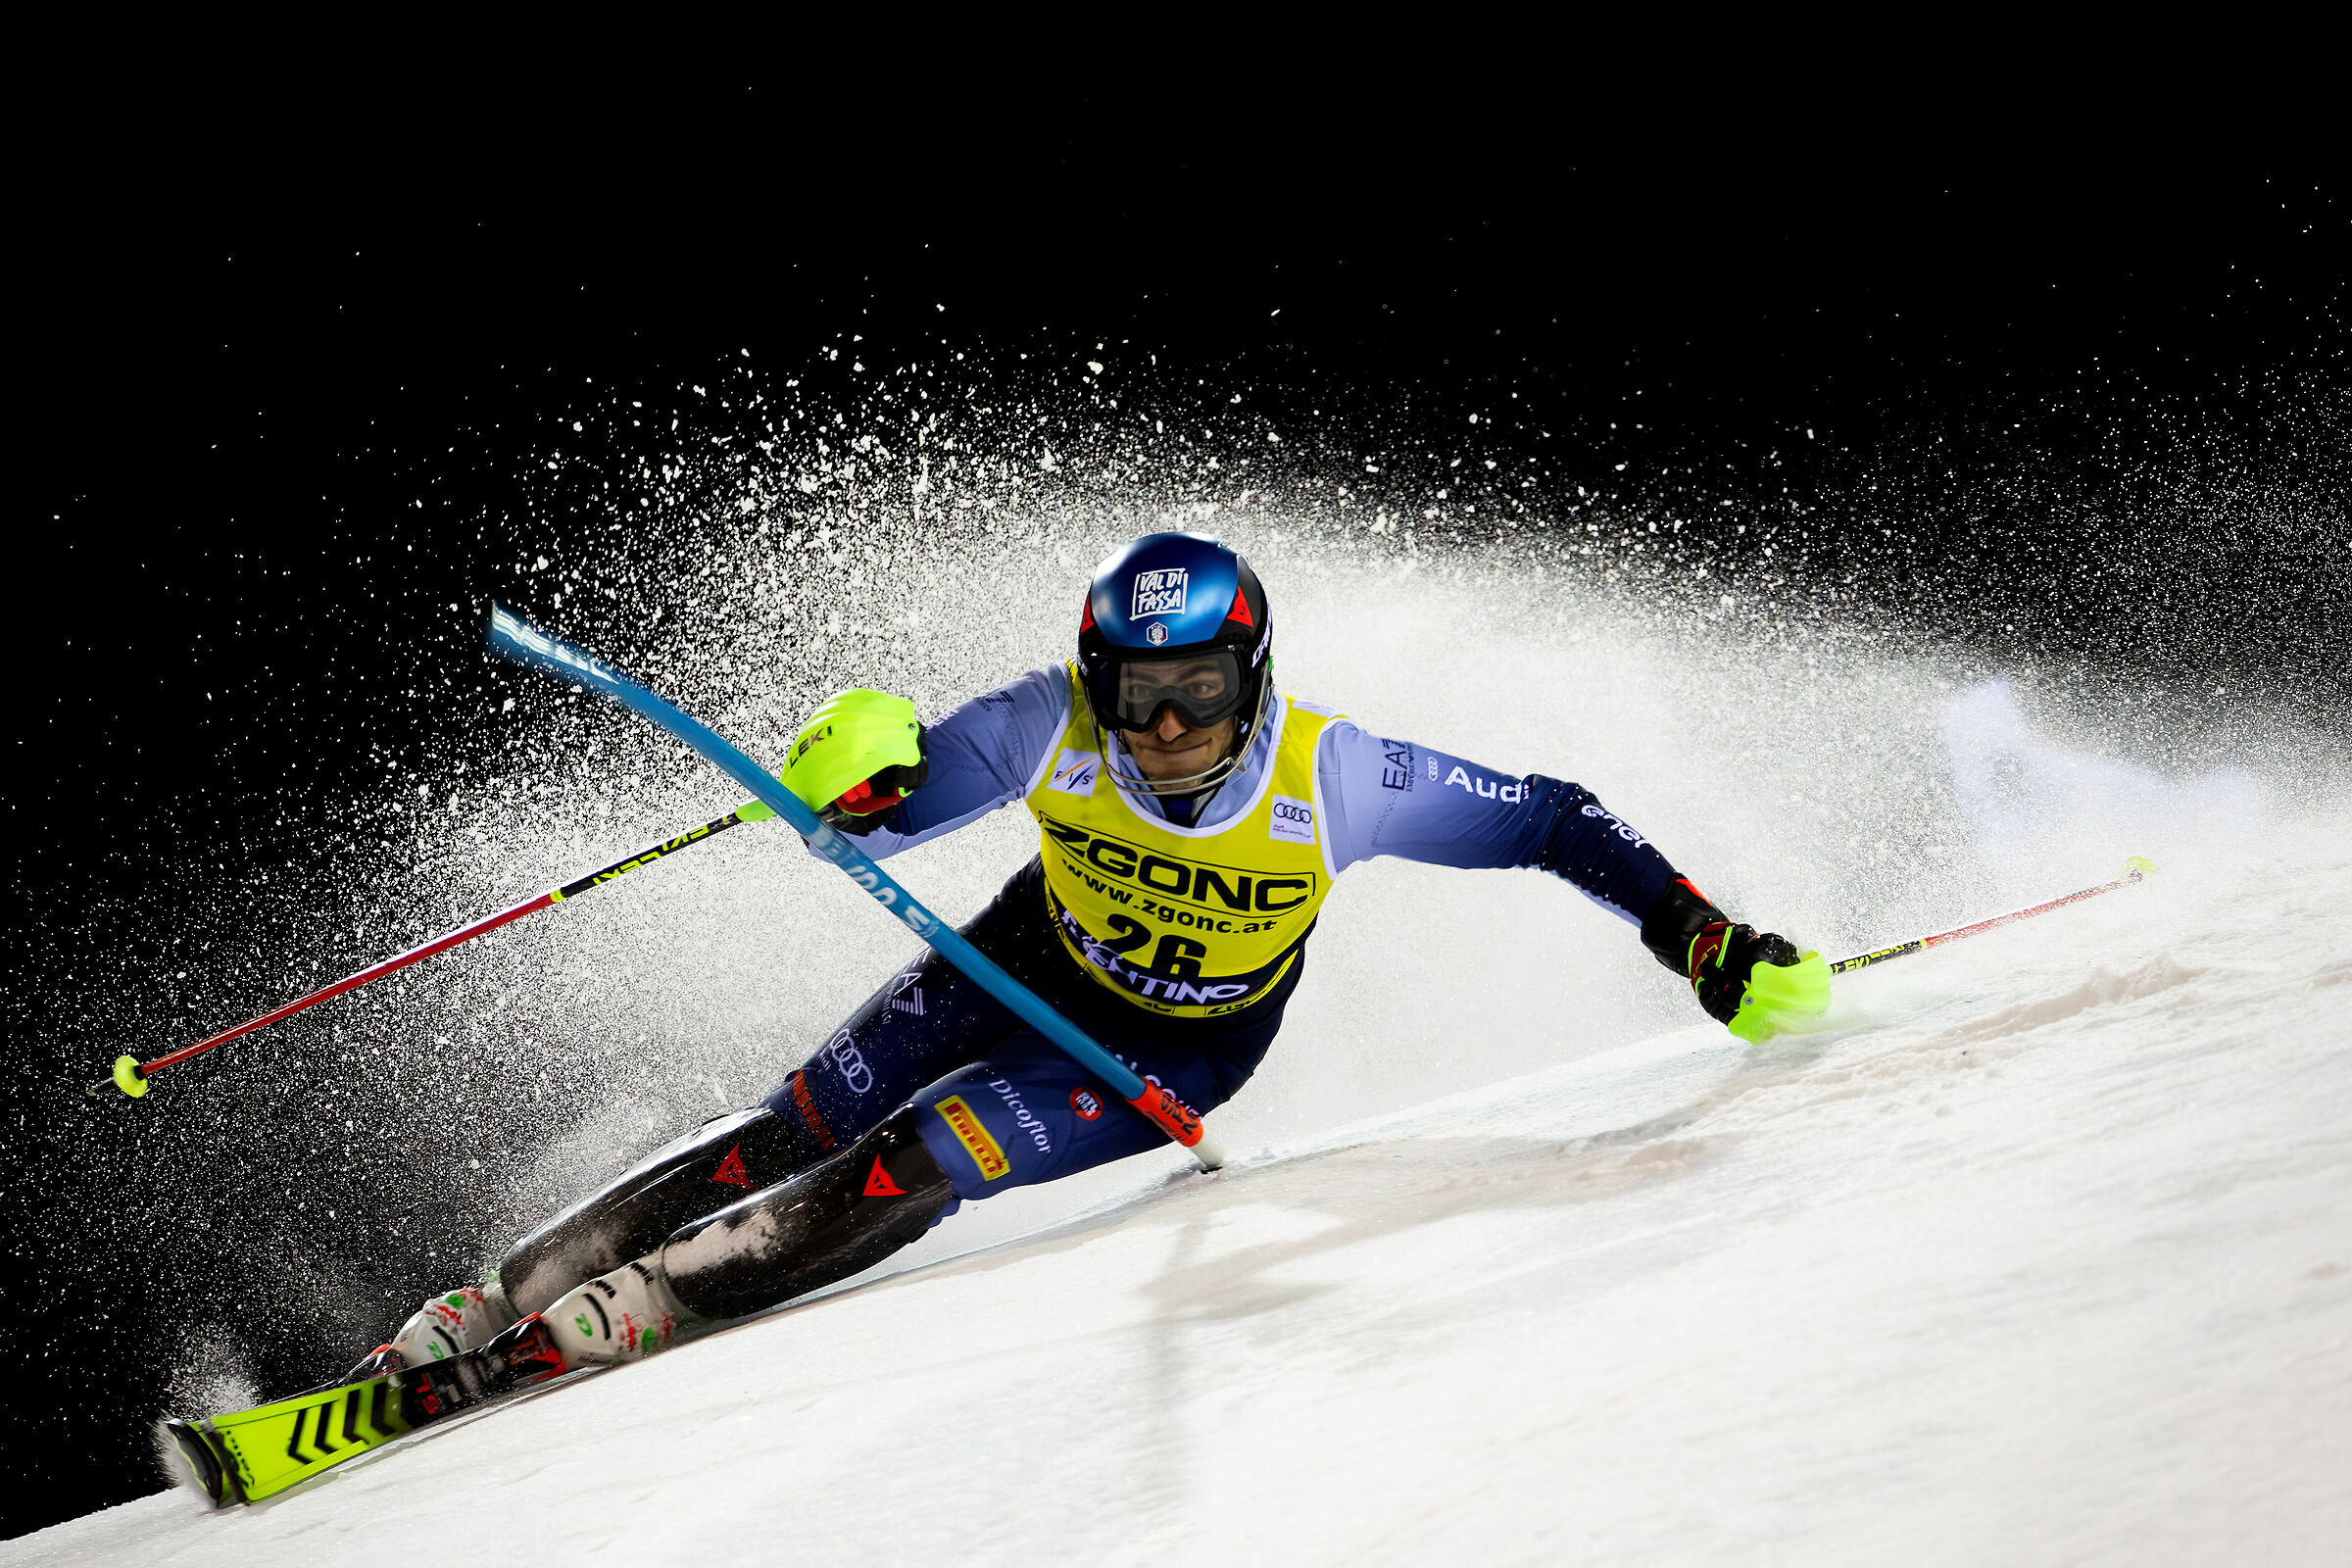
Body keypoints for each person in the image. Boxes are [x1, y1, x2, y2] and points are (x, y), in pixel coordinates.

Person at [363, 532, 1829, 1376]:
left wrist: (1697, 941)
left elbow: (1554, 822)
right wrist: (853, 782)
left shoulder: (1340, 778)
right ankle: (504, 1294)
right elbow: (883, 815)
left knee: (922, 1159)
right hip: (1023, 956)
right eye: (1140, 696)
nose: (1167, 732)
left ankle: (650, 1304)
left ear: (1252, 677)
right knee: (798, 1117)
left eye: (1198, 694)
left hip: (1170, 1049)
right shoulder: (1054, 721)